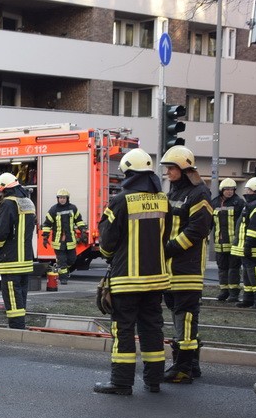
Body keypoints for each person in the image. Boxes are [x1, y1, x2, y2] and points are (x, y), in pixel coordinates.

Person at [93, 147, 170, 395]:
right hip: (156, 279)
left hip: (126, 279)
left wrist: (108, 257)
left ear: (128, 173)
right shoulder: (162, 200)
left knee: (123, 329)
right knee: (152, 328)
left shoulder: (120, 200)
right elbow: (165, 237)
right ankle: (154, 381)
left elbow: (107, 240)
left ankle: (122, 382)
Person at [159, 147, 213, 385]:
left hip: (187, 267)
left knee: (186, 316)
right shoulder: (174, 192)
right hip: (171, 267)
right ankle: (192, 364)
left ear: (183, 168)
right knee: (180, 314)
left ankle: (182, 368)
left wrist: (170, 248)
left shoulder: (199, 193)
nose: (168, 172)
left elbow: (198, 229)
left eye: (171, 168)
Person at [0, 173, 36, 329]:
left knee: (12, 296)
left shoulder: (8, 204)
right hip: (26, 260)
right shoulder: (28, 202)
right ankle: (20, 326)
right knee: (21, 295)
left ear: (5, 189)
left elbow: (2, 233)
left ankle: (16, 329)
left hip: (10, 260)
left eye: (1, 191)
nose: (0, 195)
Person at [233, 177, 256, 309]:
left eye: (249, 190)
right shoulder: (252, 204)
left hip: (254, 247)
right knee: (248, 274)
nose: (246, 192)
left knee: (255, 274)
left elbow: (255, 227)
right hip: (247, 247)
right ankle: (248, 299)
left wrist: (248, 244)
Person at [40, 188, 85, 284]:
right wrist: (45, 237)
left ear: (67, 198)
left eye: (64, 198)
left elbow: (79, 221)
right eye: (60, 198)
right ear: (57, 199)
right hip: (58, 241)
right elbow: (47, 224)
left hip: (70, 240)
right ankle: (63, 278)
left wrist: (83, 231)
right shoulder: (53, 210)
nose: (62, 199)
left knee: (72, 259)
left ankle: (61, 268)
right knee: (62, 260)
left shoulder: (73, 208)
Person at [211, 178, 245, 302]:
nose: (230, 192)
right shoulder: (214, 202)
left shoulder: (239, 202)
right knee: (222, 268)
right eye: (227, 189)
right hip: (219, 242)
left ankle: (234, 293)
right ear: (222, 190)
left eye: (232, 189)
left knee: (233, 268)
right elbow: (210, 222)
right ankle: (224, 291)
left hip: (233, 243)